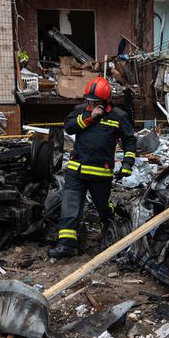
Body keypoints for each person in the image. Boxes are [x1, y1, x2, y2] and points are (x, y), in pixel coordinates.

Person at [48, 77, 137, 259]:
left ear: (105, 101)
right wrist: (89, 117)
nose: (91, 103)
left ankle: (111, 228)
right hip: (76, 171)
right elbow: (69, 127)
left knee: (103, 207)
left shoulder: (118, 116)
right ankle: (67, 245)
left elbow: (130, 141)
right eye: (89, 100)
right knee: (70, 207)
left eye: (95, 101)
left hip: (100, 174)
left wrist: (127, 164)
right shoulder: (80, 111)